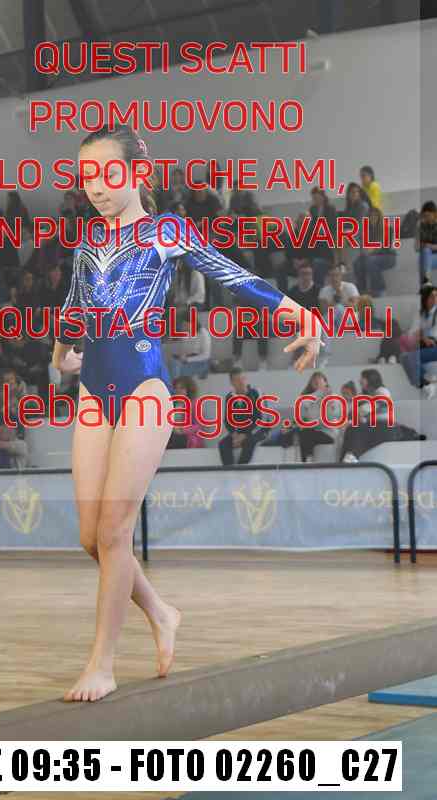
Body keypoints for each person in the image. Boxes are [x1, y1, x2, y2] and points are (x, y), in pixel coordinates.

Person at [51, 123, 323, 704]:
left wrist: (297, 311)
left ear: (138, 172)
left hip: (145, 389)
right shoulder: (86, 241)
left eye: (109, 172)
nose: (96, 186)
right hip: (93, 392)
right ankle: (161, 611)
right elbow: (76, 304)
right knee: (90, 538)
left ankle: (102, 662)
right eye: (87, 175)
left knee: (115, 532)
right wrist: (61, 351)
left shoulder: (165, 230)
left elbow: (233, 276)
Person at [218, 367, 269, 465]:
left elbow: (261, 419)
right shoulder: (230, 397)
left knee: (249, 442)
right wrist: (234, 434)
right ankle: (229, 470)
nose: (241, 382)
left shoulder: (256, 393)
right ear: (232, 383)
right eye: (237, 380)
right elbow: (228, 420)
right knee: (223, 444)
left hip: (259, 430)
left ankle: (241, 470)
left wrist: (245, 435)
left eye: (243, 379)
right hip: (240, 433)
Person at [166, 377, 204, 449]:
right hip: (173, 435)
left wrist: (182, 430)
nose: (178, 390)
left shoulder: (194, 404)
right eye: (176, 388)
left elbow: (199, 426)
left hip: (188, 437)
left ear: (188, 390)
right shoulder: (171, 404)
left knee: (176, 438)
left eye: (182, 388)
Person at [415, 201, 437, 283]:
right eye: (425, 216)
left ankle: (426, 285)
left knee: (425, 255)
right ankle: (427, 284)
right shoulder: (421, 225)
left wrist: (429, 246)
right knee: (425, 253)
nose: (427, 218)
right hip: (428, 257)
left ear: (435, 214)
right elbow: (416, 248)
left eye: (428, 215)